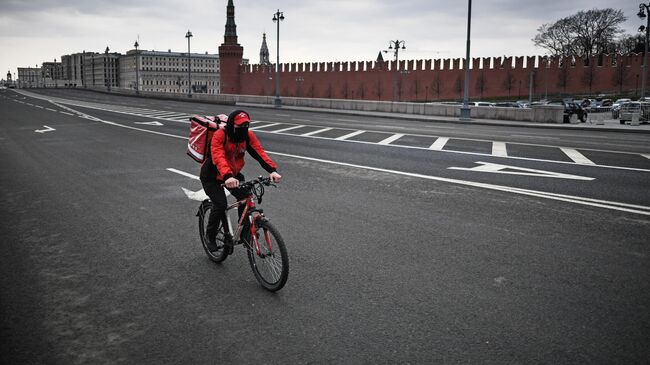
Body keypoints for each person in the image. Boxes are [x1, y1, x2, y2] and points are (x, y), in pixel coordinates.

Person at [200, 109, 281, 254]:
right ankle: (210, 237)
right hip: (212, 176)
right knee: (220, 204)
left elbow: (259, 152)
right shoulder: (220, 135)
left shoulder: (247, 136)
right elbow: (218, 157)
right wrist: (227, 177)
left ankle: (244, 233)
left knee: (245, 197)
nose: (243, 130)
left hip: (233, 175)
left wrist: (272, 170)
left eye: (246, 126)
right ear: (231, 125)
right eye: (239, 127)